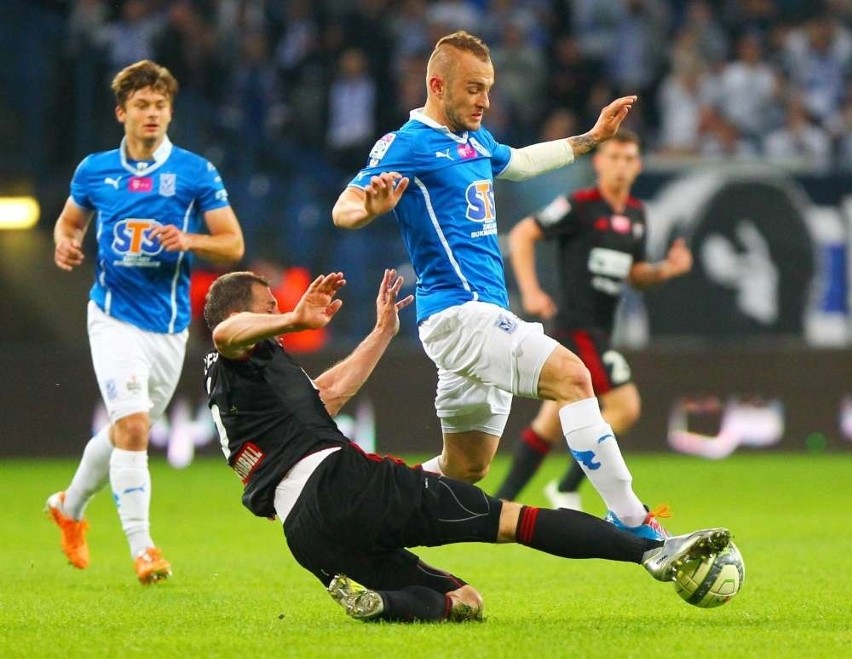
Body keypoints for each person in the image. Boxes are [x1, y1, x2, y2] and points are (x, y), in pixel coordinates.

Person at [202, 267, 732, 623]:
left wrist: (383, 333)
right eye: (268, 308)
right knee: (511, 520)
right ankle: (651, 550)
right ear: (244, 314)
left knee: (463, 601)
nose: (276, 316)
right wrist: (294, 319)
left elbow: (329, 394)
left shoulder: (245, 389)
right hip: (344, 484)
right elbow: (231, 332)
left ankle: (381, 603)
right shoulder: (235, 348)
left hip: (306, 535)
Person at [331, 30, 666, 539]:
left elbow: (523, 161)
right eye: (472, 89)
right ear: (437, 85)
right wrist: (368, 209)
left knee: (466, 467)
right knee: (574, 379)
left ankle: (361, 511)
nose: (484, 100)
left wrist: (591, 138)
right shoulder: (409, 143)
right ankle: (634, 521)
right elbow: (344, 207)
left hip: (476, 315)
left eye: (488, 88)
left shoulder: (474, 140)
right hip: (459, 313)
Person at [47, 59, 245, 584]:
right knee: (133, 426)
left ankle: (69, 507)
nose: (152, 113)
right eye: (142, 105)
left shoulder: (195, 172)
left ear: (169, 111)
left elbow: (233, 243)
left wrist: (191, 241)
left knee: (124, 430)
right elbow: (70, 222)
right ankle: (144, 549)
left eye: (160, 105)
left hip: (169, 325)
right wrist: (65, 242)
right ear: (122, 112)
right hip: (112, 315)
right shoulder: (95, 170)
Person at [493, 130, 693, 511]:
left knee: (550, 422)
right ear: (598, 163)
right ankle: (569, 488)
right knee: (624, 405)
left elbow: (635, 275)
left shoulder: (636, 215)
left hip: (601, 331)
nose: (620, 165)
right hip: (574, 327)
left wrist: (667, 269)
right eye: (613, 157)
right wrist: (531, 291)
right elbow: (522, 234)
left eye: (628, 158)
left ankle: (498, 505)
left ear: (638, 166)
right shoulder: (580, 205)